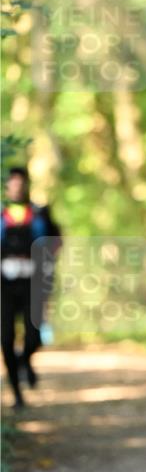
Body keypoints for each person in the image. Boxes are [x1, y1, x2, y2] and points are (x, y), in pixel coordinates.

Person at [1, 166, 61, 408]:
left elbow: (55, 243)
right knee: (5, 338)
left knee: (34, 336)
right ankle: (17, 394)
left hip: (32, 283)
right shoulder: (2, 214)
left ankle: (24, 360)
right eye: (12, 182)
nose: (16, 186)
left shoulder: (39, 213)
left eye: (20, 182)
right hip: (4, 284)